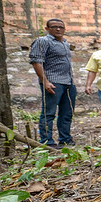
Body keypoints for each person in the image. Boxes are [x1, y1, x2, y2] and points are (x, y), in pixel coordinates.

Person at [29, 19, 76, 147]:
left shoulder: (65, 43)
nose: (58, 29)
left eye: (61, 27)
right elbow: (36, 61)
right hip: (53, 82)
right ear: (47, 28)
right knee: (49, 113)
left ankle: (65, 139)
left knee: (67, 113)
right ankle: (46, 141)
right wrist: (45, 81)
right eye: (54, 27)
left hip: (68, 82)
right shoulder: (42, 41)